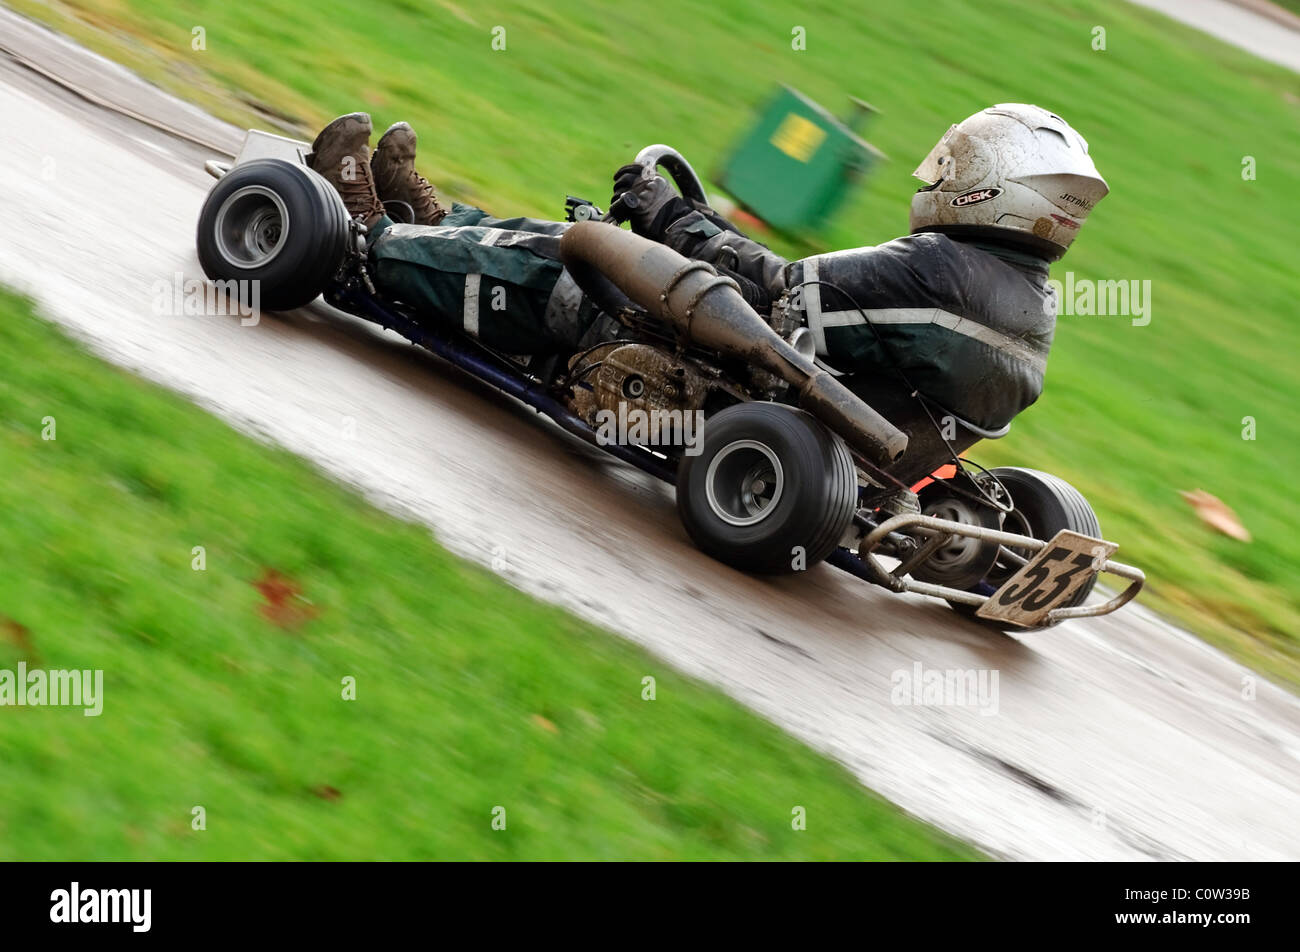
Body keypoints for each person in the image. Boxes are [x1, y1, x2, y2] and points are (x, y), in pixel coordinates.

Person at [307, 104, 1107, 430]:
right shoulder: (1026, 303)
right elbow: (816, 303)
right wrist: (694, 224)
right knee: (573, 237)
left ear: (988, 190)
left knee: (564, 259)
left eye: (951, 172)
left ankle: (363, 237)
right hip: (796, 404)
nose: (934, 182)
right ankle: (437, 223)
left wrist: (668, 215)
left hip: (703, 378)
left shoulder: (937, 268)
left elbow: (780, 293)